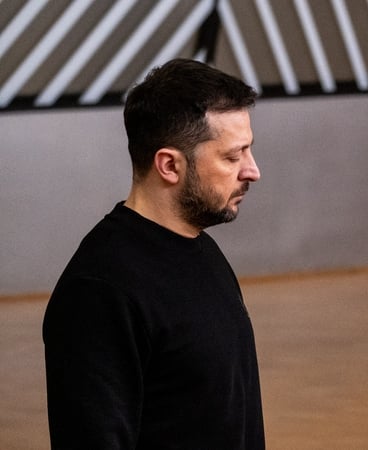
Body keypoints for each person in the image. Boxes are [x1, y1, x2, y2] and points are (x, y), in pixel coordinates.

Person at [43, 59, 265, 449]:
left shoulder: (202, 249)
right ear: (169, 165)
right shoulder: (99, 291)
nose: (252, 170)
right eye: (233, 156)